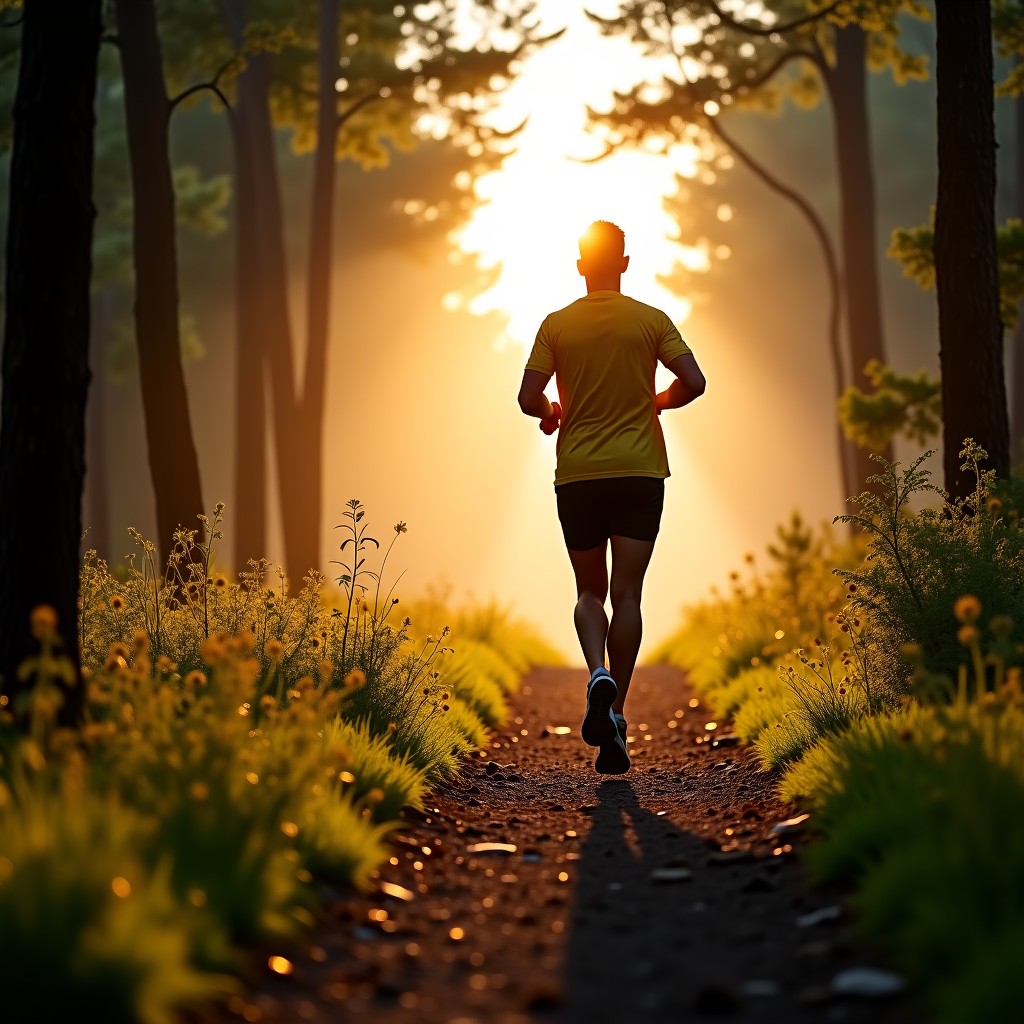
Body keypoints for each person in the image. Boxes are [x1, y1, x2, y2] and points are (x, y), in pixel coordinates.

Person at [517, 219, 706, 775]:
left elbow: (528, 397)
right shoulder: (652, 321)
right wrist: (659, 402)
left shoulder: (555, 326)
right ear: (624, 263)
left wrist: (554, 413)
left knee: (588, 592)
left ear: (581, 266)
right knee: (628, 594)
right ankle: (616, 714)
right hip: (639, 473)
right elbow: (694, 381)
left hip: (578, 476)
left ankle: (595, 672)